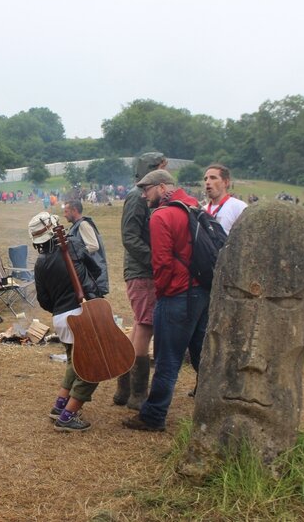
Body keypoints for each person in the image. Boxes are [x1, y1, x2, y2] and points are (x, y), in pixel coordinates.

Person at [122, 169, 210, 432]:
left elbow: (161, 263)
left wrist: (162, 293)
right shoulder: (194, 207)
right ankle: (216, 405)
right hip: (201, 291)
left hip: (177, 294)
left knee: (166, 359)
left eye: (146, 189)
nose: (143, 195)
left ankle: (153, 415)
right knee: (201, 355)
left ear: (161, 188)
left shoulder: (162, 215)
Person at [30, 211, 104, 432]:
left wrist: (60, 309)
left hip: (61, 318)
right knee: (95, 366)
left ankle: (59, 406)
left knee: (75, 363)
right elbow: (96, 269)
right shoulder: (72, 246)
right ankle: (67, 416)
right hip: (82, 313)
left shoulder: (40, 263)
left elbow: (44, 300)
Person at [114, 152, 168, 410]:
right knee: (145, 326)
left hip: (143, 270)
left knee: (139, 326)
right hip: (142, 272)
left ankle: (124, 390)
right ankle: (137, 394)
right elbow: (130, 237)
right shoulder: (138, 197)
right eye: (160, 169)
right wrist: (156, 261)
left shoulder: (141, 196)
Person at [63, 200, 109, 296]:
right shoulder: (77, 225)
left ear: (74, 210)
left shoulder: (83, 225)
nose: (64, 215)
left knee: (95, 304)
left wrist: (75, 253)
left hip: (93, 274)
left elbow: (93, 246)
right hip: (88, 273)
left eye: (66, 211)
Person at [203, 164, 248, 234]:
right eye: (205, 179)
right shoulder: (202, 211)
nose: (207, 182)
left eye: (213, 178)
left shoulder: (239, 207)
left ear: (226, 182)